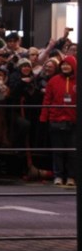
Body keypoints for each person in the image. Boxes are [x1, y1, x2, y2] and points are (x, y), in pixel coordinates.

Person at [40, 55, 77, 186]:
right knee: (57, 151)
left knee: (72, 152)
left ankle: (71, 176)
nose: (65, 67)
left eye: (68, 64)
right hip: (55, 119)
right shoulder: (54, 80)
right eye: (63, 64)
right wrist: (44, 117)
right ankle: (58, 176)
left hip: (73, 121)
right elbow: (47, 100)